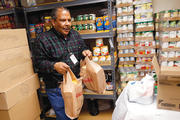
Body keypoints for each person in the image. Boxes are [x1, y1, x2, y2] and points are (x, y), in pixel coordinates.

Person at [34, 7, 92, 120]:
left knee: (75, 112)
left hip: (75, 83)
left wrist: (86, 52)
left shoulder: (75, 34)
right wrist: (53, 66)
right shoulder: (42, 39)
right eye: (63, 20)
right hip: (57, 88)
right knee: (64, 116)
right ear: (53, 22)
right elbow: (38, 63)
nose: (67, 24)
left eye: (69, 20)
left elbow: (82, 48)